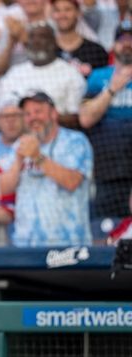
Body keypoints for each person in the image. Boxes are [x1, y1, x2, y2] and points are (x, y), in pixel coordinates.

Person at [0, 91, 93, 247]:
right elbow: (4, 189)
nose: (32, 118)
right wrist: (18, 160)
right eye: (27, 114)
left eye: (38, 112)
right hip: (25, 244)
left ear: (53, 114)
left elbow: (72, 182)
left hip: (69, 245)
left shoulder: (75, 141)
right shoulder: (20, 144)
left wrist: (37, 156)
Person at [80, 20, 132, 219]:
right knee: (106, 233)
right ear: (114, 44)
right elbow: (85, 118)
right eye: (122, 39)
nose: (127, 43)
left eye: (131, 39)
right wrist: (112, 89)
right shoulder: (98, 77)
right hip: (108, 171)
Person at [0, 22, 87, 128]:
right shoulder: (14, 73)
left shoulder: (71, 74)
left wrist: (42, 117)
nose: (36, 41)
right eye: (32, 37)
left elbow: (75, 117)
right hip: (17, 135)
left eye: (42, 37)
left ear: (54, 42)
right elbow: (1, 111)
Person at [52, 0, 108, 77]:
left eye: (67, 9)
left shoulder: (96, 51)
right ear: (52, 15)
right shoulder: (46, 50)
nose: (62, 15)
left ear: (78, 13)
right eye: (57, 10)